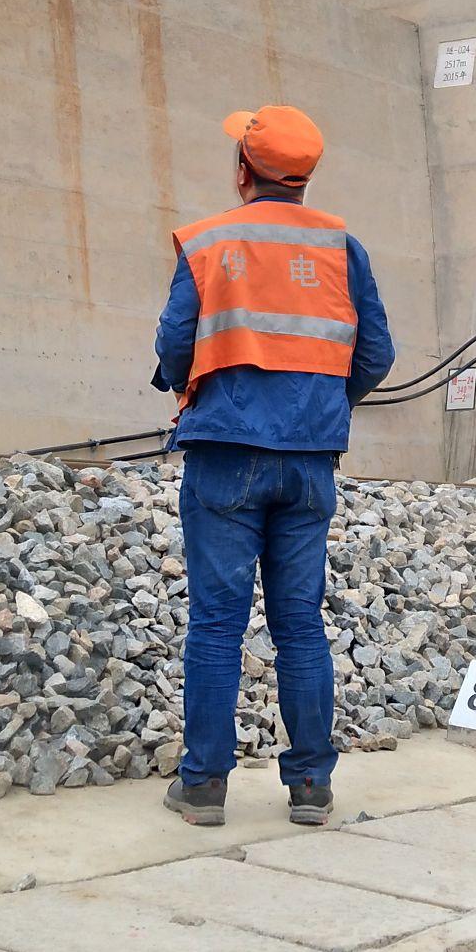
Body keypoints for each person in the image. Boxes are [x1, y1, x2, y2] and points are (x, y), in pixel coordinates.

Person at [151, 104, 394, 828]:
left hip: (224, 453)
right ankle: (311, 788)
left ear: (243, 170)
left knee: (217, 625)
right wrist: (322, 404)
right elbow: (375, 353)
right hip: (310, 461)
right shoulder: (341, 247)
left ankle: (203, 787)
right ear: (305, 176)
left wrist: (188, 383)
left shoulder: (208, 242)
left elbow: (173, 341)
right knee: (299, 624)